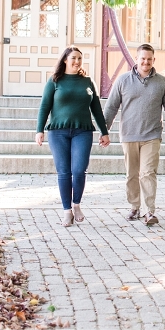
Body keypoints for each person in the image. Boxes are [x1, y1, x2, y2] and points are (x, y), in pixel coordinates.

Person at [104, 43, 165, 226]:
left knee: (147, 173)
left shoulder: (161, 82)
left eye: (149, 59)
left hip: (152, 136)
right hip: (129, 135)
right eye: (142, 59)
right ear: (136, 59)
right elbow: (111, 107)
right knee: (132, 174)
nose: (146, 62)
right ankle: (135, 207)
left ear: (154, 60)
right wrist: (104, 131)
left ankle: (149, 211)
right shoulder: (123, 81)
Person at [36, 46, 110, 227]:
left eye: (79, 58)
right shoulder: (54, 81)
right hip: (58, 132)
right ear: (65, 60)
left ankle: (76, 204)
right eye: (73, 58)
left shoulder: (87, 82)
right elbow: (44, 106)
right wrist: (39, 130)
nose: (77, 62)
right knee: (64, 172)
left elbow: (97, 110)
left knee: (78, 171)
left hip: (82, 131)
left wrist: (104, 131)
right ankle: (66, 211)